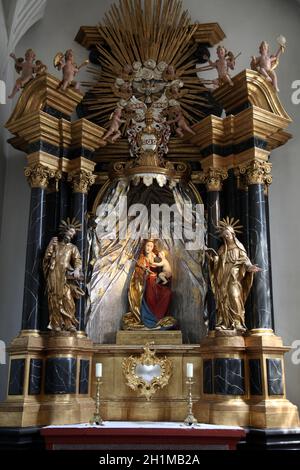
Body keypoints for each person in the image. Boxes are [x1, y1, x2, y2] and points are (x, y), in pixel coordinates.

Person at [206, 217, 261, 332]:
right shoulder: (222, 249)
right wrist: (213, 260)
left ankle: (237, 322)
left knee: (235, 296)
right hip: (223, 277)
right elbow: (217, 264)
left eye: (228, 234)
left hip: (234, 278)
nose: (226, 236)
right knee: (223, 299)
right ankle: (224, 322)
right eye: (224, 235)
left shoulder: (239, 248)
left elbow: (245, 260)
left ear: (232, 234)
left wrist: (249, 267)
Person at [123, 239, 176, 330]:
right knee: (150, 288)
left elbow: (163, 269)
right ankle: (150, 317)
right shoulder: (141, 259)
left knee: (167, 293)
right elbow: (137, 275)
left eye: (151, 246)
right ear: (144, 246)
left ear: (153, 247)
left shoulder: (155, 257)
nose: (149, 248)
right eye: (147, 246)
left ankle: (157, 316)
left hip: (157, 281)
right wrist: (144, 272)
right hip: (145, 283)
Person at [43, 218, 84, 332]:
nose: (71, 235)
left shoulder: (72, 248)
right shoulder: (55, 244)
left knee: (67, 299)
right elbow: (47, 258)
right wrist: (51, 245)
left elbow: (78, 260)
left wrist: (76, 269)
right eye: (70, 232)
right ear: (65, 231)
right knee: (54, 299)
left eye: (73, 234)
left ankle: (68, 323)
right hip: (54, 274)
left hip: (65, 276)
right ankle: (56, 325)